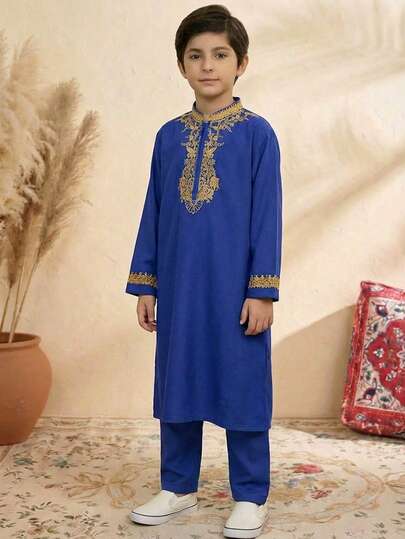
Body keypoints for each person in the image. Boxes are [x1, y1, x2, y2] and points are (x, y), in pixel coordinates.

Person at [125, 4, 283, 538]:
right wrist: (146, 284)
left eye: (220, 54)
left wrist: (262, 290)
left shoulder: (258, 135)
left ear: (242, 63)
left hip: (236, 288)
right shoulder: (168, 136)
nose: (208, 65)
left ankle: (251, 495)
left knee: (243, 382)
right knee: (178, 379)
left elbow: (267, 215)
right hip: (180, 285)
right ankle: (177, 486)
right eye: (195, 56)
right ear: (181, 65)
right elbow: (153, 211)